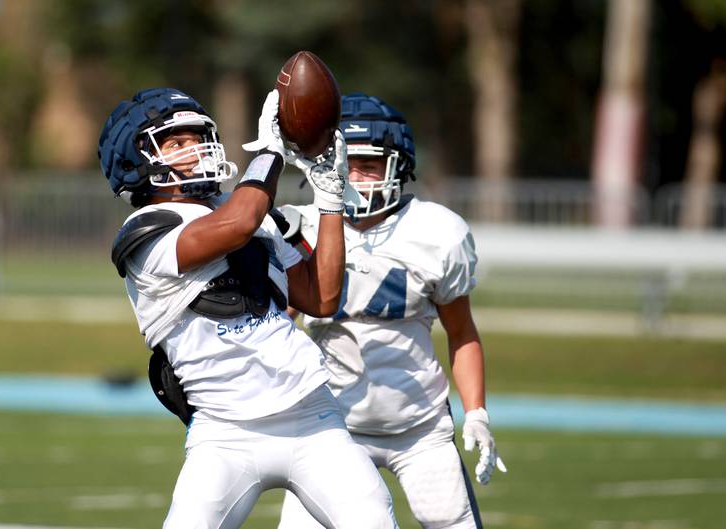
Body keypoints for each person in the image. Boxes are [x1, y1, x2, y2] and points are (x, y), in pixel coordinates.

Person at [97, 87, 398, 529]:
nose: (195, 148)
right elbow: (237, 225)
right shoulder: (146, 231)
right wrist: (270, 154)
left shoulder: (253, 216)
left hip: (311, 415)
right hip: (225, 432)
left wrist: (330, 198)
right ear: (135, 161)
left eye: (197, 136)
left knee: (373, 519)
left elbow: (321, 297)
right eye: (176, 143)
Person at [278, 93, 507, 529]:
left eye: (368, 164)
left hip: (419, 430)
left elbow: (462, 333)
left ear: (398, 167)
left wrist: (476, 412)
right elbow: (275, 325)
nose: (355, 177)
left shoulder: (437, 232)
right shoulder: (298, 226)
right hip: (330, 430)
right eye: (346, 164)